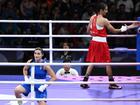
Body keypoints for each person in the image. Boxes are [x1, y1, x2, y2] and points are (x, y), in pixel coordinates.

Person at [80, 2, 140, 89]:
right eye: (106, 9)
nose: (107, 11)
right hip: (101, 43)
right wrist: (128, 27)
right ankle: (111, 83)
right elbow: (114, 31)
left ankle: (84, 81)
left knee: (92, 61)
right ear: (101, 10)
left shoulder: (92, 17)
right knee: (108, 62)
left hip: (93, 42)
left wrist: (95, 34)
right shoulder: (104, 20)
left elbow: (88, 30)